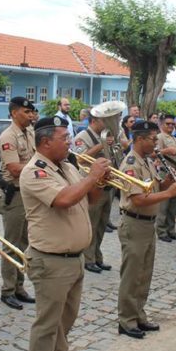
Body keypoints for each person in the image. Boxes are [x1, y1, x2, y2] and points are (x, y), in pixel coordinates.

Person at [20, 116, 107, 351]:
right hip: (51, 260)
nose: (70, 142)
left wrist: (98, 182)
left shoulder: (67, 165)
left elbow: (90, 200)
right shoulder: (34, 172)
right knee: (47, 323)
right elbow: (64, 200)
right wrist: (91, 177)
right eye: (64, 138)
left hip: (73, 258)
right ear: (46, 142)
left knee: (65, 321)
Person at [117, 121, 176, 338]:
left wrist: (167, 182)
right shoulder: (130, 164)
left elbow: (155, 188)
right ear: (139, 139)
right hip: (134, 223)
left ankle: (139, 314)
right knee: (132, 274)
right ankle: (126, 320)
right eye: (152, 139)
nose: (156, 143)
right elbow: (138, 199)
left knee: (145, 273)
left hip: (148, 224)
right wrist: (169, 193)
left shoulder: (147, 161)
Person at [0, 97, 37, 310]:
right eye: (26, 112)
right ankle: (8, 290)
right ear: (14, 113)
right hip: (15, 194)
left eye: (32, 112)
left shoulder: (30, 132)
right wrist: (39, 163)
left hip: (29, 194)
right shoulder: (8, 136)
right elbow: (13, 168)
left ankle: (20, 287)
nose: (31, 115)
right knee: (11, 245)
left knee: (24, 244)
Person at [72, 112, 117, 273]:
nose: (106, 123)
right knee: (91, 223)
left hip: (106, 184)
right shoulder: (83, 136)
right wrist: (101, 145)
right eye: (103, 120)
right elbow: (79, 158)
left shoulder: (104, 135)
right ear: (93, 121)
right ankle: (88, 258)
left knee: (101, 224)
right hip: (91, 186)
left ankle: (97, 256)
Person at [155, 114, 176, 243]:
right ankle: (161, 230)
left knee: (173, 205)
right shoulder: (160, 137)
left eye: (173, 124)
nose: (171, 126)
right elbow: (153, 153)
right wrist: (167, 151)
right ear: (161, 125)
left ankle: (171, 230)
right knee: (164, 205)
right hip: (165, 172)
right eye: (168, 124)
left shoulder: (175, 139)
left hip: (175, 173)